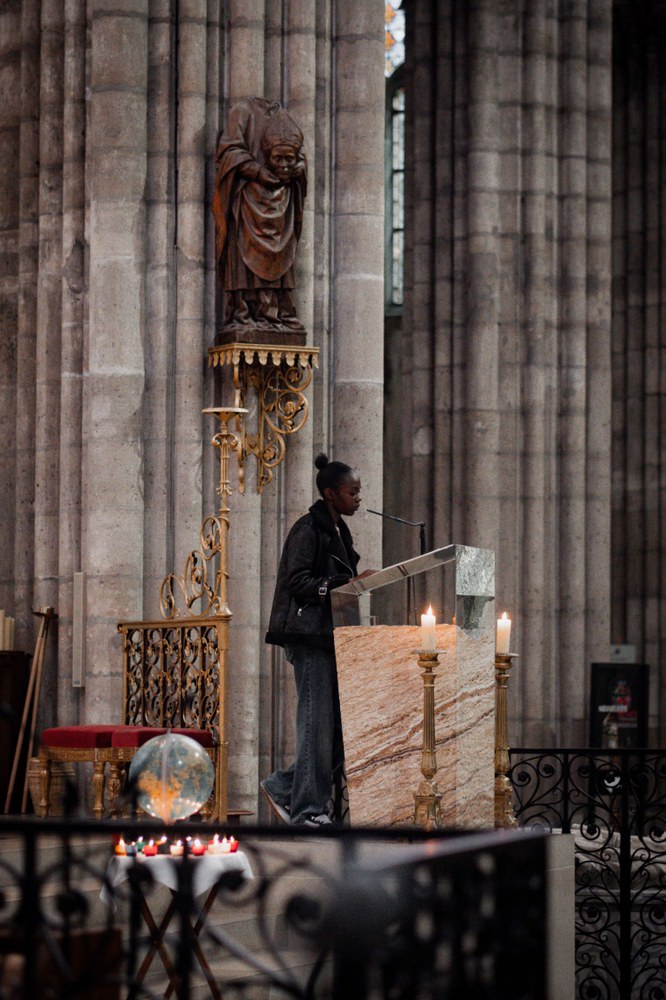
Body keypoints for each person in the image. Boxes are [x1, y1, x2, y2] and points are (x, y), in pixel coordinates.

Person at [262, 453, 372, 826]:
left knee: (340, 732)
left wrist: (353, 584)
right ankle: (308, 809)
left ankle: (282, 786)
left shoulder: (340, 531)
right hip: (309, 637)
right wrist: (345, 583)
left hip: (333, 638)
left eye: (358, 491)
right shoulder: (308, 528)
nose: (358, 498)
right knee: (316, 724)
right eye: (352, 492)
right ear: (330, 493)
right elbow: (296, 581)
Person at [212, 97, 307, 336]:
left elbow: (299, 157)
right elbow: (229, 153)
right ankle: (243, 312)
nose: (284, 164)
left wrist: (300, 168)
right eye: (278, 158)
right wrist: (257, 171)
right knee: (242, 253)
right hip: (247, 203)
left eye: (288, 159)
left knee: (282, 254)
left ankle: (276, 313)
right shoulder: (243, 112)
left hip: (281, 205)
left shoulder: (283, 122)